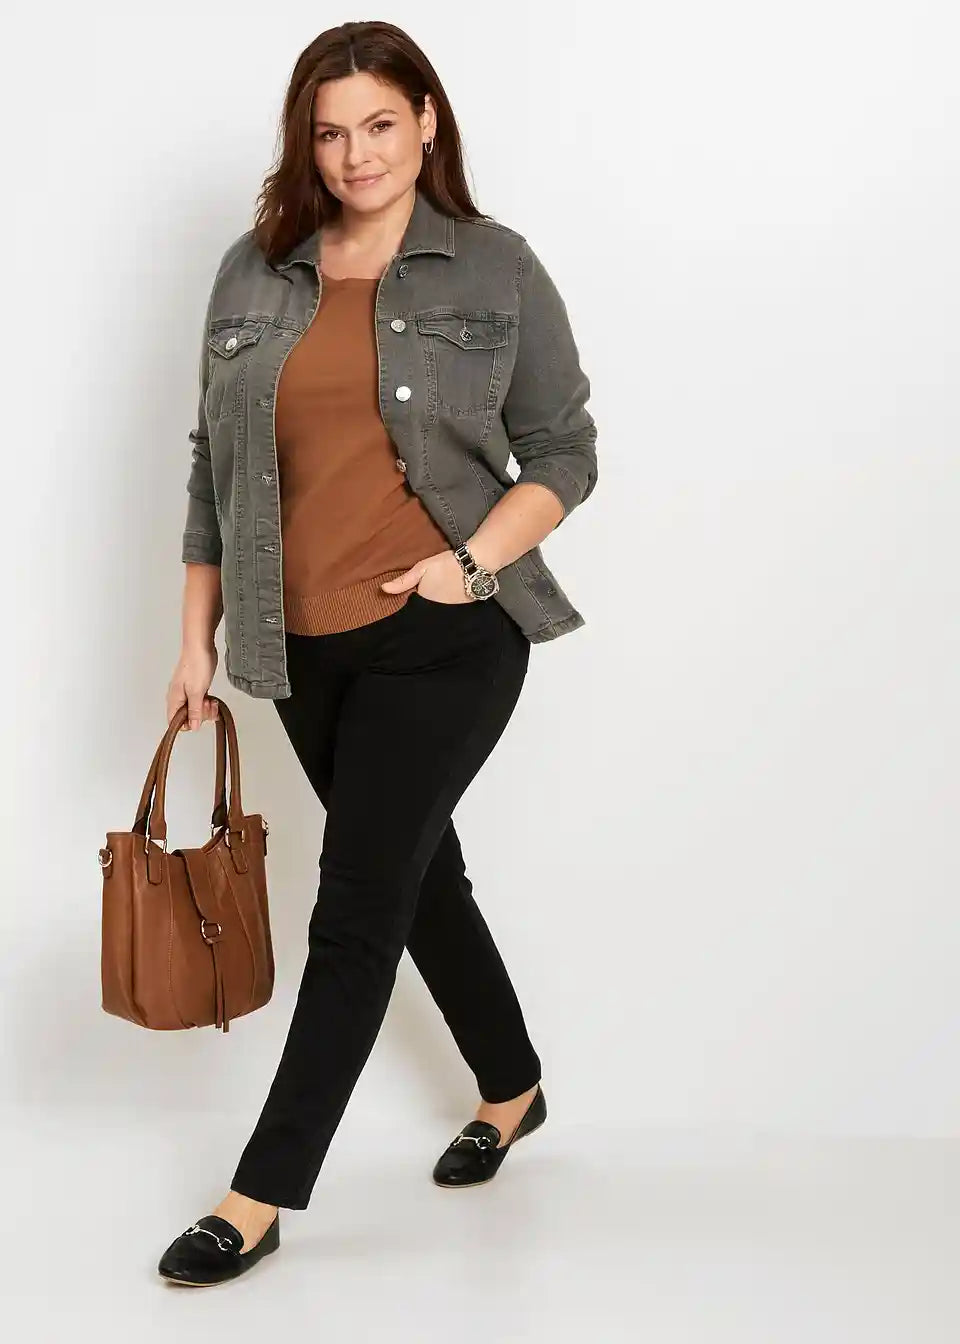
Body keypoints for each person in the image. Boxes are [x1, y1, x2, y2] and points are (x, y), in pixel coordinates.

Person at [157, 19, 598, 1287]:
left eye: (380, 125)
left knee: (355, 908)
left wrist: (473, 564)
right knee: (419, 880)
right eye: (330, 133)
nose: (356, 154)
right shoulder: (255, 271)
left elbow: (564, 451)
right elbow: (213, 464)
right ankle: (512, 1088)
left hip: (445, 638)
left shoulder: (495, 268)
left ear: (427, 122)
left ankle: (257, 1195)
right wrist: (194, 643)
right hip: (300, 649)